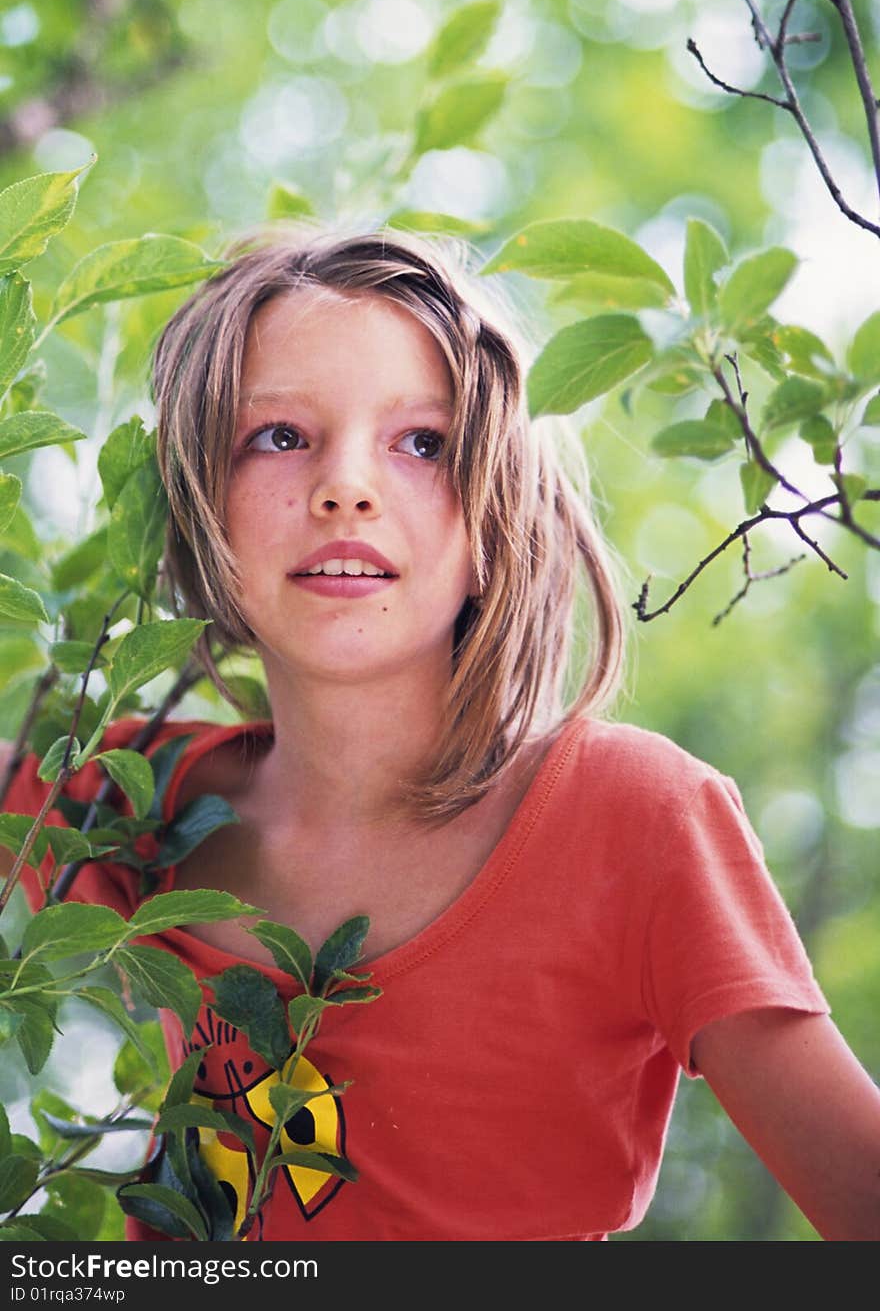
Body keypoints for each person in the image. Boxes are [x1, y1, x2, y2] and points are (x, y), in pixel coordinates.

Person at [2, 224, 879, 1242]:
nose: (346, 485)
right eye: (280, 436)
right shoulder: (134, 801)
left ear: (492, 526)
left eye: (421, 443)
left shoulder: (632, 816)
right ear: (205, 509)